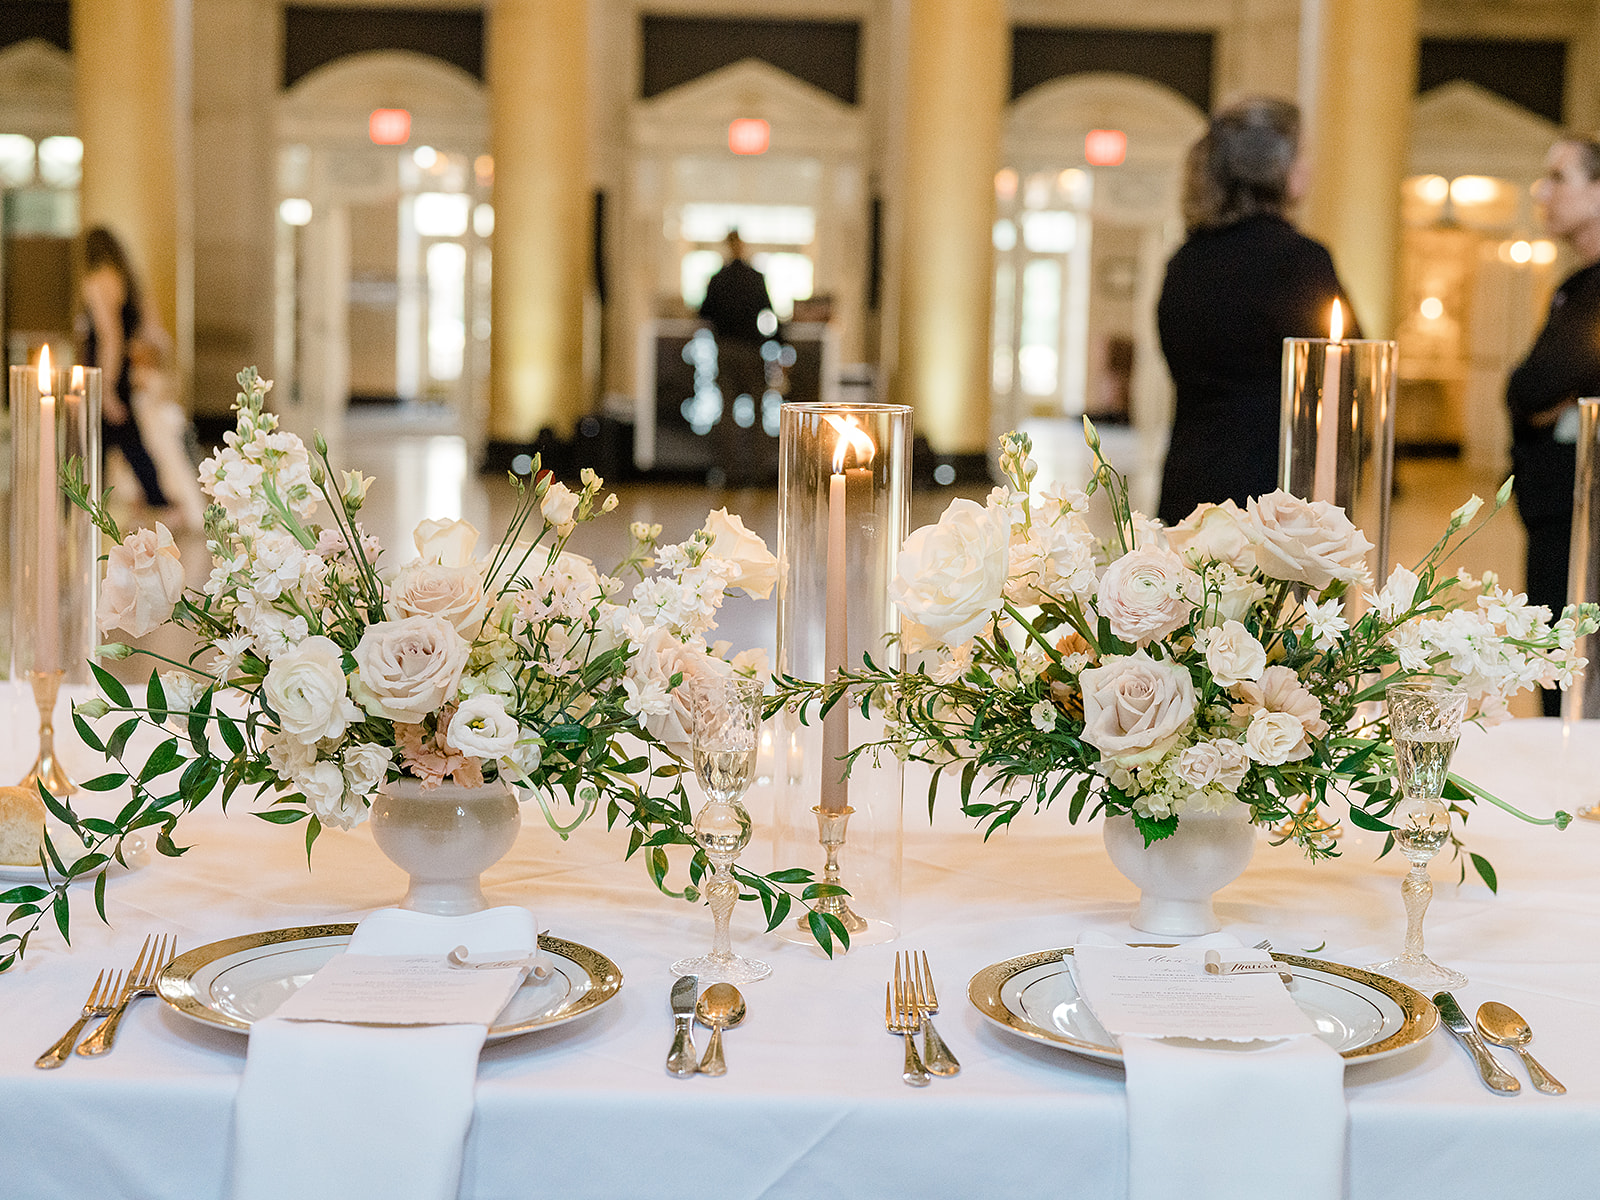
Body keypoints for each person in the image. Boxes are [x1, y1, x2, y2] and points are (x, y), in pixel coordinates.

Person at [1155, 97, 1357, 526]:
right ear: (1279, 170)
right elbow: (1348, 371)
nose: (1310, 166)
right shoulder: (1299, 261)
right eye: (1303, 154)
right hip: (1272, 493)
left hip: (1188, 484)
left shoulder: (1184, 262)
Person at [1505, 135, 1600, 715]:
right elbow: (1527, 394)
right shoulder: (1574, 286)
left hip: (1583, 518)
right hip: (1556, 509)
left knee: (1574, 687)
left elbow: (1535, 387)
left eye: (1559, 178)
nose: (1543, 192)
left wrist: (1550, 399)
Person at [698, 231, 777, 486]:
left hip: (727, 349)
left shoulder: (718, 278)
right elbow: (770, 314)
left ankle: (728, 472)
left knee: (727, 412)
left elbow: (704, 313)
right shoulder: (755, 277)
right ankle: (759, 472)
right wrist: (780, 346)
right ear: (742, 245)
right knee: (758, 411)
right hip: (752, 351)